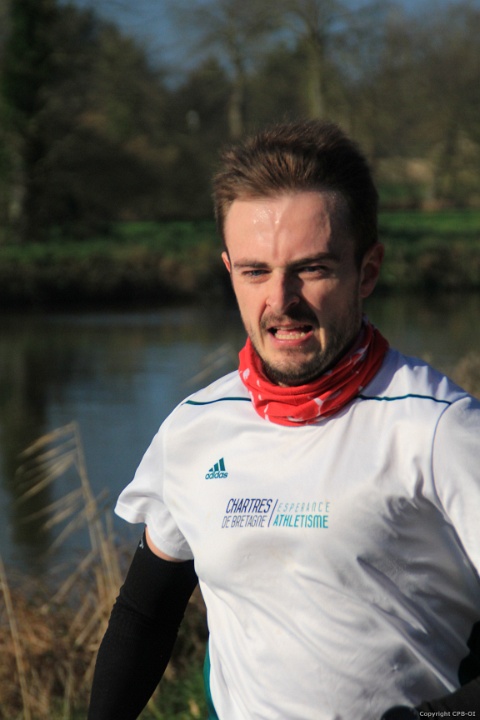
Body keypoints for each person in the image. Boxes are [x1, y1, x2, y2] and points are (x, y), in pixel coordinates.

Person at [87, 120, 480, 720]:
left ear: (367, 271)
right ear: (229, 272)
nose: (281, 299)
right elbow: (146, 614)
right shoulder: (195, 428)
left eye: (312, 268)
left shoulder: (440, 430)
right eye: (255, 271)